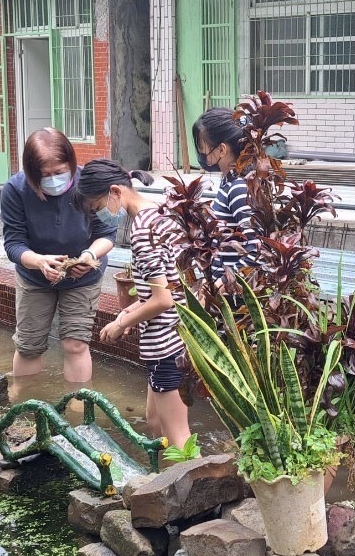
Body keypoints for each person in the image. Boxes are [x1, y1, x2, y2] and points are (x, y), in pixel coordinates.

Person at [78, 159, 191, 449]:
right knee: (154, 421)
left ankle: (191, 490)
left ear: (115, 191)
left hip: (168, 341)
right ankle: (161, 481)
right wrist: (131, 308)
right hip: (174, 335)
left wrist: (121, 323)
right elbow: (166, 286)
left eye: (96, 206)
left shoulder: (142, 232)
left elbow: (163, 299)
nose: (99, 215)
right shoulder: (158, 213)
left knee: (178, 437)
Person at [1, 129, 117, 380]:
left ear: (71, 164)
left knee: (75, 344)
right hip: (34, 278)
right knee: (29, 346)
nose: (53, 179)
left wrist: (89, 256)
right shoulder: (15, 190)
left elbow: (107, 234)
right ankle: (24, 406)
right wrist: (40, 261)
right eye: (45, 175)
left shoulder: (88, 184)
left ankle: (78, 411)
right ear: (32, 174)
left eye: (60, 171)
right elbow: (14, 244)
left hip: (82, 277)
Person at [192, 107, 257, 277]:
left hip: (234, 299)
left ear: (221, 150)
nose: (202, 154)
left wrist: (226, 282)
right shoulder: (228, 180)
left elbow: (257, 247)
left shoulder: (239, 187)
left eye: (203, 147)